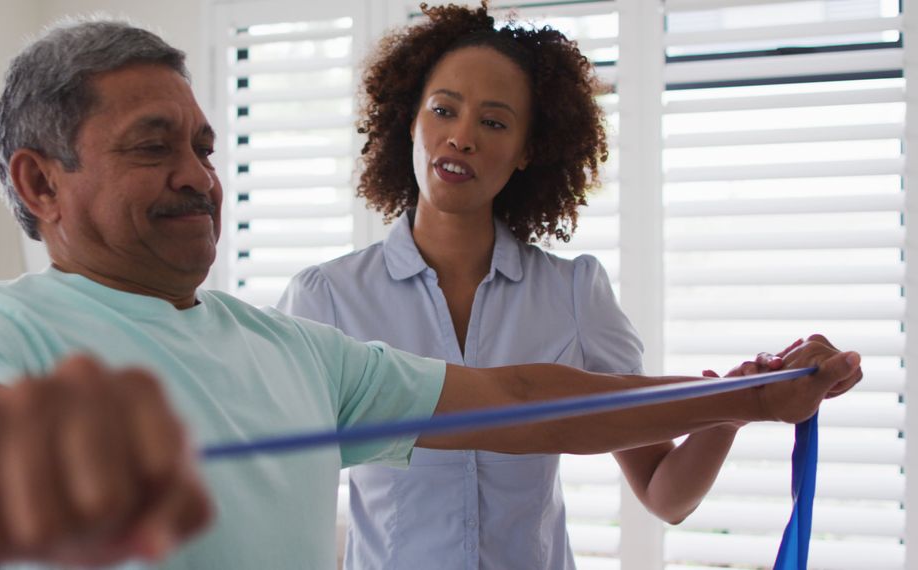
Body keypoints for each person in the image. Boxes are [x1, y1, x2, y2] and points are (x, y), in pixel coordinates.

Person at [0, 17, 861, 570]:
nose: (197, 176)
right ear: (39, 184)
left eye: (205, 148)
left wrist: (751, 397)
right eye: (152, 147)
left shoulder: (293, 351)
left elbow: (528, 401)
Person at [276, 4, 782, 569]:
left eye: (493, 122)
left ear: (527, 151)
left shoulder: (574, 293)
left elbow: (666, 495)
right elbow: (277, 482)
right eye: (444, 109)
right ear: (411, 120)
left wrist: (733, 409)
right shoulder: (326, 299)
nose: (461, 138)